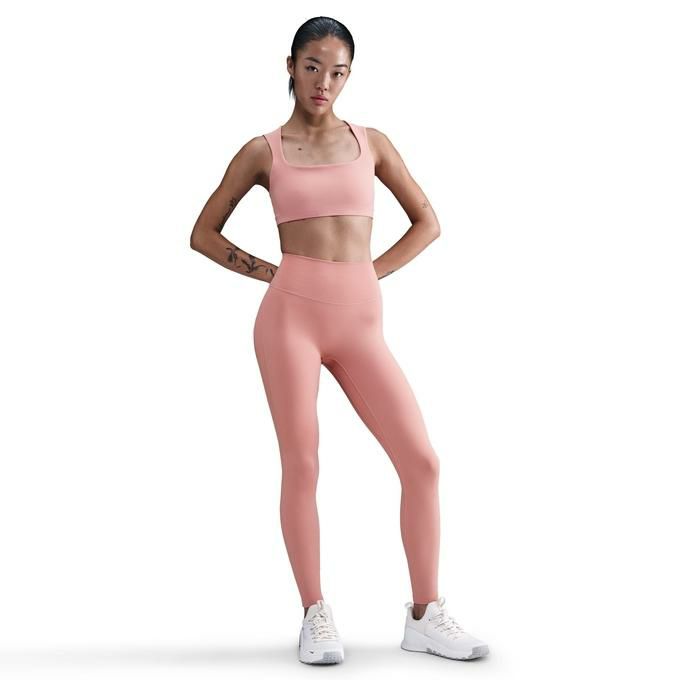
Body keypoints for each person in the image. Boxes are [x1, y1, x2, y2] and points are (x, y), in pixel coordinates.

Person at [190, 16, 489, 665]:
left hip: (360, 323)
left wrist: (367, 273)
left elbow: (427, 221)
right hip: (289, 322)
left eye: (338, 71)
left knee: (422, 461)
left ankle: (424, 614)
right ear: (290, 66)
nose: (324, 82)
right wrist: (273, 274)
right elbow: (203, 233)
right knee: (303, 464)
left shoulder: (371, 143)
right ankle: (315, 612)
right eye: (312, 67)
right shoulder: (263, 151)